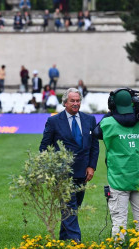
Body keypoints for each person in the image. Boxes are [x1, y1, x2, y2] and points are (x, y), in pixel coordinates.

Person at [93, 89, 139, 238]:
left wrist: (110, 113)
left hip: (118, 178)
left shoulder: (108, 123)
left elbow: (95, 132)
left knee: (119, 222)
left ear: (113, 104)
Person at [39, 88, 99, 242]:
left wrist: (92, 166)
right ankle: (75, 241)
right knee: (69, 207)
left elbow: (94, 146)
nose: (75, 103)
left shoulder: (90, 120)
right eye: (72, 101)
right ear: (64, 102)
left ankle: (63, 238)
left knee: (73, 207)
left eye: (78, 100)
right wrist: (51, 169)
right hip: (62, 173)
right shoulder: (53, 121)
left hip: (83, 172)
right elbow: (44, 147)